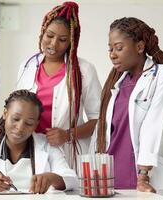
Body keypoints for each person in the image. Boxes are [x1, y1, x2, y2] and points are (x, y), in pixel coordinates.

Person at [91, 17, 163, 199]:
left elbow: (155, 124)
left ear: (140, 47)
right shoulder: (117, 83)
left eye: (119, 48)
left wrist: (144, 175)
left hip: (145, 179)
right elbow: (103, 132)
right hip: (112, 178)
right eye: (110, 49)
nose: (112, 54)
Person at [16, 1, 102, 172]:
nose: (54, 44)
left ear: (71, 42)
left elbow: (99, 120)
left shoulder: (84, 70)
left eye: (62, 40)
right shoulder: (27, 66)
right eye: (49, 36)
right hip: (31, 150)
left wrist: (68, 134)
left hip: (67, 153)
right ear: (42, 33)